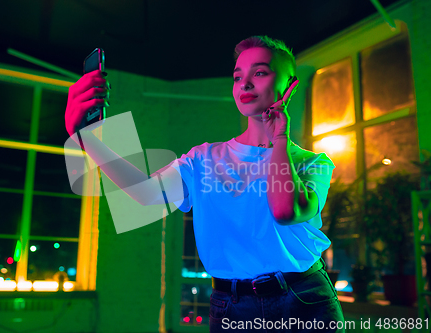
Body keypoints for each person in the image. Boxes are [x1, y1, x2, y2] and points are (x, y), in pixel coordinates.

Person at [65, 35, 345, 332]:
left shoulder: (313, 163)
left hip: (305, 301)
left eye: (260, 73)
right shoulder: (204, 158)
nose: (245, 84)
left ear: (290, 86)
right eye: (238, 77)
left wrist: (279, 138)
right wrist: (85, 137)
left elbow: (284, 210)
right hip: (233, 307)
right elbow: (145, 193)